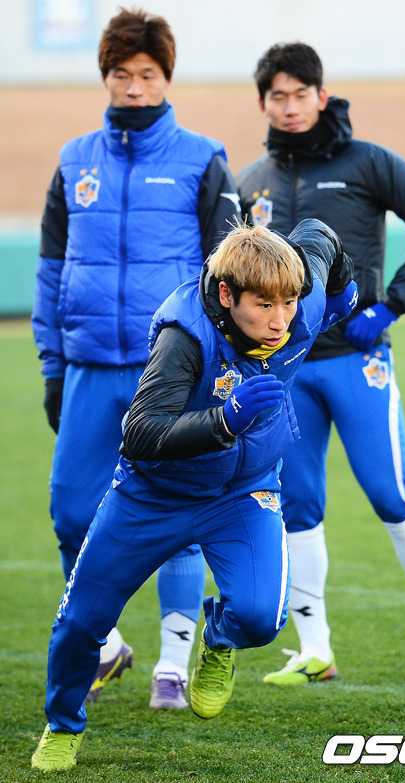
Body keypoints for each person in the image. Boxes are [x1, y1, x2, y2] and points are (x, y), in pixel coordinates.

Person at [30, 218, 357, 771]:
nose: (280, 321)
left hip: (243, 492)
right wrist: (224, 420)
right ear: (227, 295)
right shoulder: (183, 336)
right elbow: (140, 433)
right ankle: (63, 724)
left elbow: (321, 234)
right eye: (264, 306)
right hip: (154, 494)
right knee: (82, 622)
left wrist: (343, 287)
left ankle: (219, 639)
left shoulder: (300, 300)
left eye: (289, 303)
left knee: (260, 617)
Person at [31, 7, 240, 711]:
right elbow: (50, 268)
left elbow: (226, 273)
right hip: (89, 365)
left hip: (170, 368)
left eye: (147, 74)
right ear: (106, 77)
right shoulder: (74, 160)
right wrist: (53, 363)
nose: (134, 87)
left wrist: (218, 362)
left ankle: (173, 667)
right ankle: (107, 644)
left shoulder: (203, 159)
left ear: (166, 77)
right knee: (70, 513)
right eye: (122, 74)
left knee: (176, 516)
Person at [237, 42, 405, 686]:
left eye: (300, 94)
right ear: (263, 103)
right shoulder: (251, 182)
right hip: (285, 373)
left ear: (320, 94)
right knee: (296, 506)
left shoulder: (368, 162)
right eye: (277, 96)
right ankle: (315, 650)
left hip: (357, 363)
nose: (290, 106)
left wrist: (391, 304)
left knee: (393, 496)